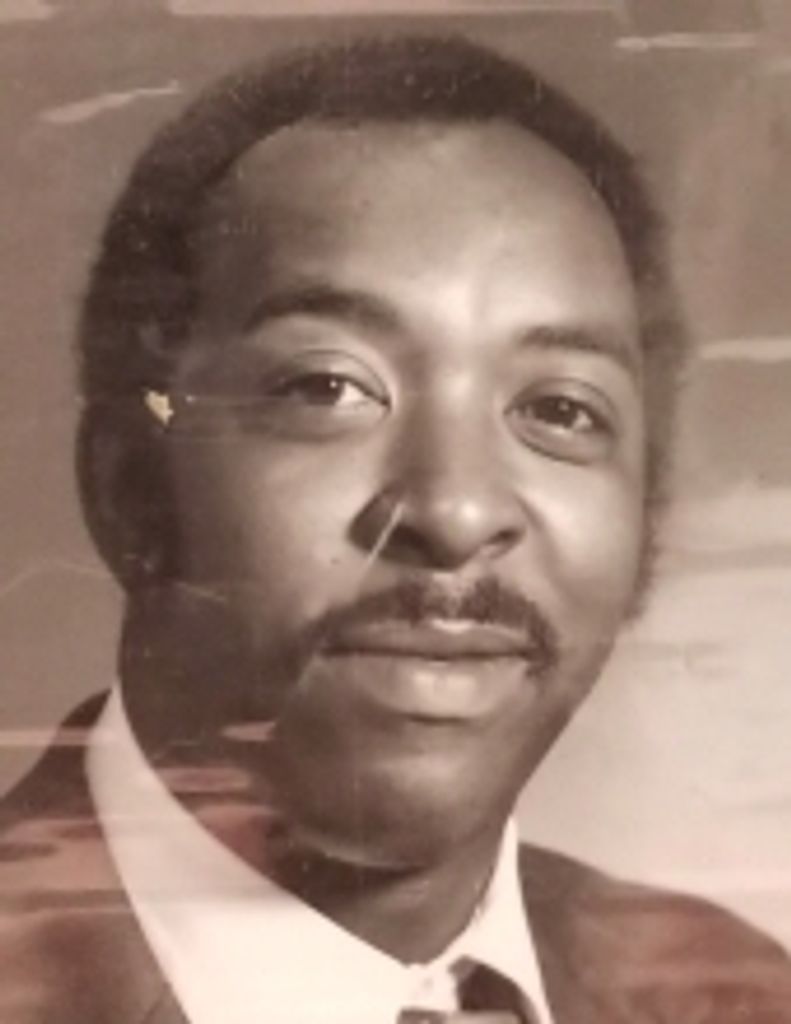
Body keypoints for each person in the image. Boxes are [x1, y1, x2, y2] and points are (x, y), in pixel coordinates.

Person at [1, 33, 790, 1024]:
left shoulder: (735, 992)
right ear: (129, 491)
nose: (456, 513)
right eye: (325, 387)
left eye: (558, 408)